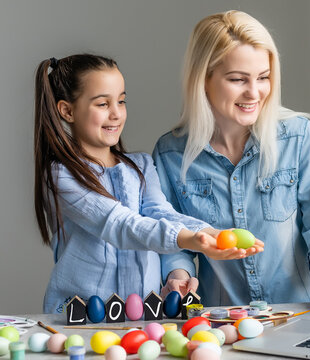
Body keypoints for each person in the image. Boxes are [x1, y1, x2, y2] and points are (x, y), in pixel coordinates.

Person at [153, 11, 310, 312]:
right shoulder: (170, 154)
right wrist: (178, 276)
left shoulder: (301, 138)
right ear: (204, 79)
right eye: (238, 79)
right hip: (224, 322)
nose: (254, 93)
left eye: (263, 78)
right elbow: (174, 237)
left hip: (299, 315)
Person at [33, 54, 263, 314]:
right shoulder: (61, 174)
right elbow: (119, 224)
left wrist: (210, 234)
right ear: (67, 110)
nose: (116, 113)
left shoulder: (140, 165)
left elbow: (160, 213)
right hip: (81, 315)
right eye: (102, 104)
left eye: (121, 101)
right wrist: (192, 240)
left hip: (141, 317)